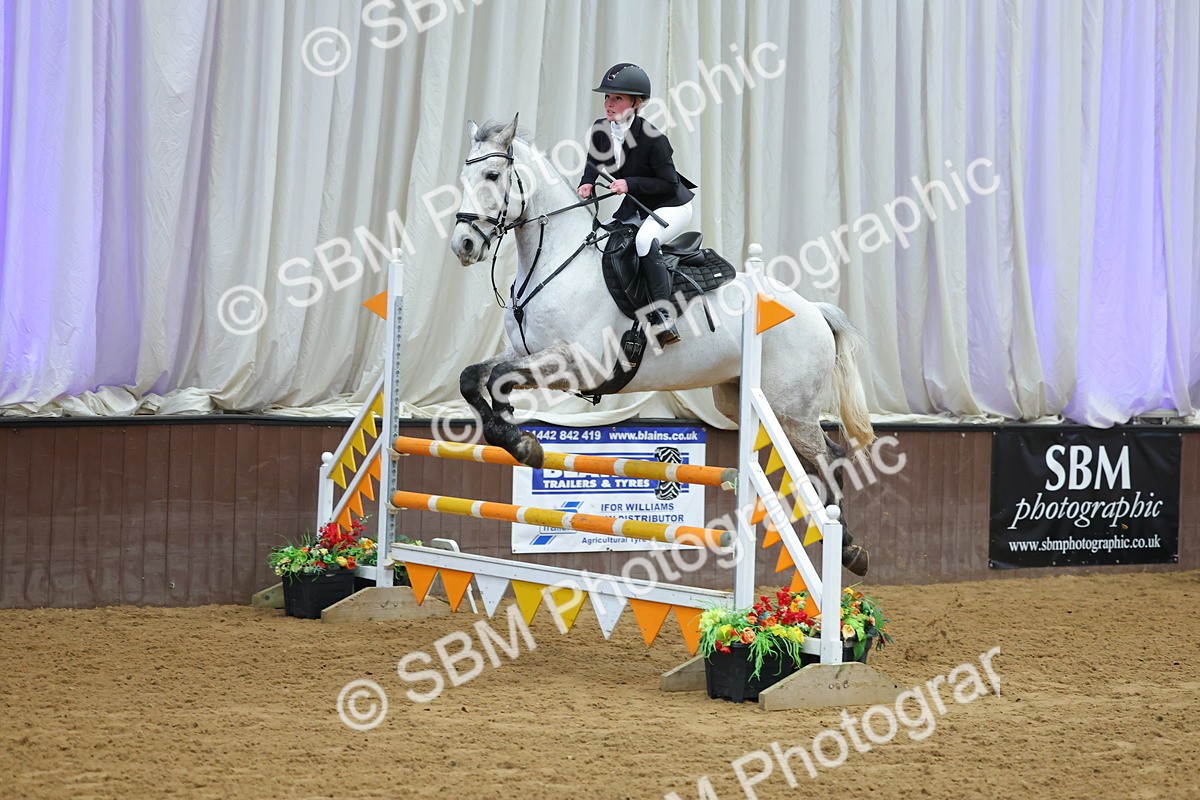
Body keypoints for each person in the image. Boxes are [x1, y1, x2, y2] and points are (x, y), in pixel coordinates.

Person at [577, 63, 697, 346]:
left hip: (671, 206)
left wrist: (630, 183)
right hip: (638, 207)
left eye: (617, 98)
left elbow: (668, 184)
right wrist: (587, 181)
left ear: (637, 102)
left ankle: (663, 318)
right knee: (606, 241)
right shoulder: (601, 128)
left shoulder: (654, 139)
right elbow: (595, 160)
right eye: (607, 97)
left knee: (644, 241)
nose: (609, 103)